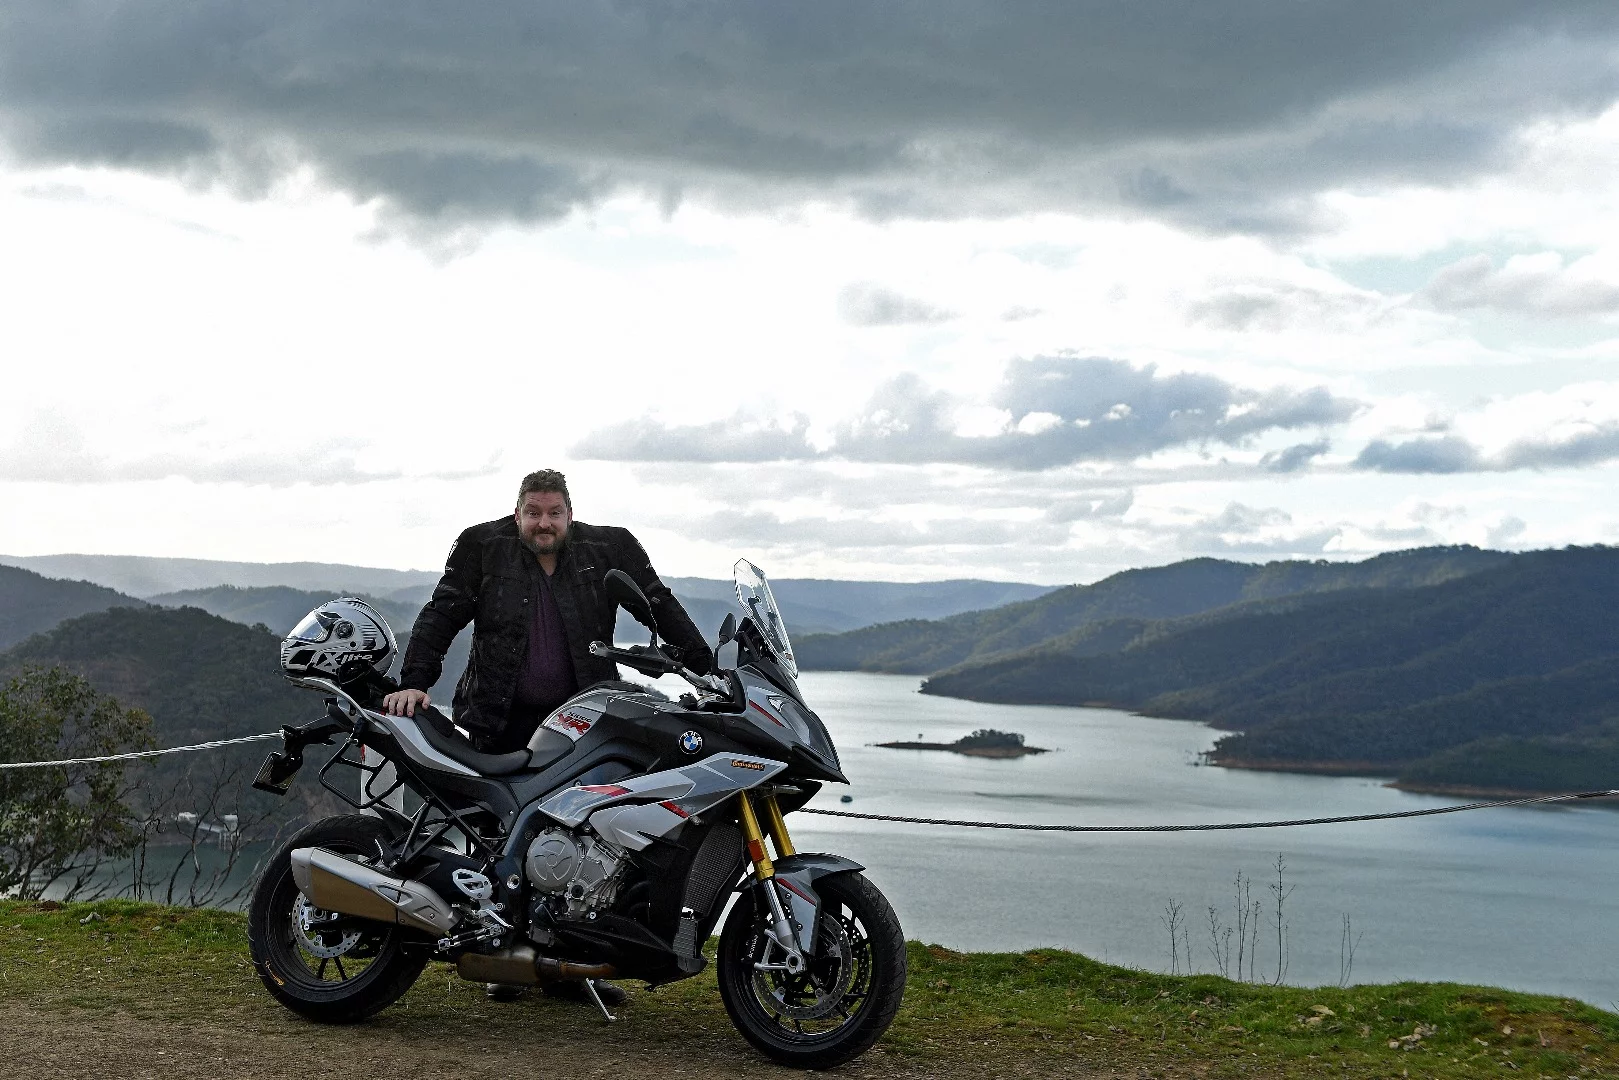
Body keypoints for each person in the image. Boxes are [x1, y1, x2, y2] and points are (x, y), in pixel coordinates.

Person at [382, 468, 713, 1004]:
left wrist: (707, 669)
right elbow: (442, 614)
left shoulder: (610, 548)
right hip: (499, 716)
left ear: (569, 515)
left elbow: (659, 604)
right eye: (533, 512)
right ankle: (500, 959)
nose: (543, 522)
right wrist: (415, 681)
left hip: (584, 721)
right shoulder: (481, 546)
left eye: (553, 513)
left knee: (594, 837)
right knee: (497, 840)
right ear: (517, 513)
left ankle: (576, 966)